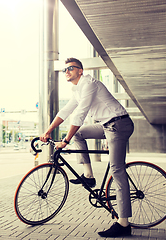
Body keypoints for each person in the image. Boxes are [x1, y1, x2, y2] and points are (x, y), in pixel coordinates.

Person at [40, 57, 134, 238]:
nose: (66, 71)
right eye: (64, 70)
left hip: (119, 124)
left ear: (80, 71)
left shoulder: (89, 84)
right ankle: (89, 176)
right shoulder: (77, 90)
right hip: (106, 125)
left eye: (70, 68)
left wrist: (65, 141)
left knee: (117, 169)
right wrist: (48, 130)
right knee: (78, 133)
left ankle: (124, 223)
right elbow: (65, 111)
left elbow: (80, 114)